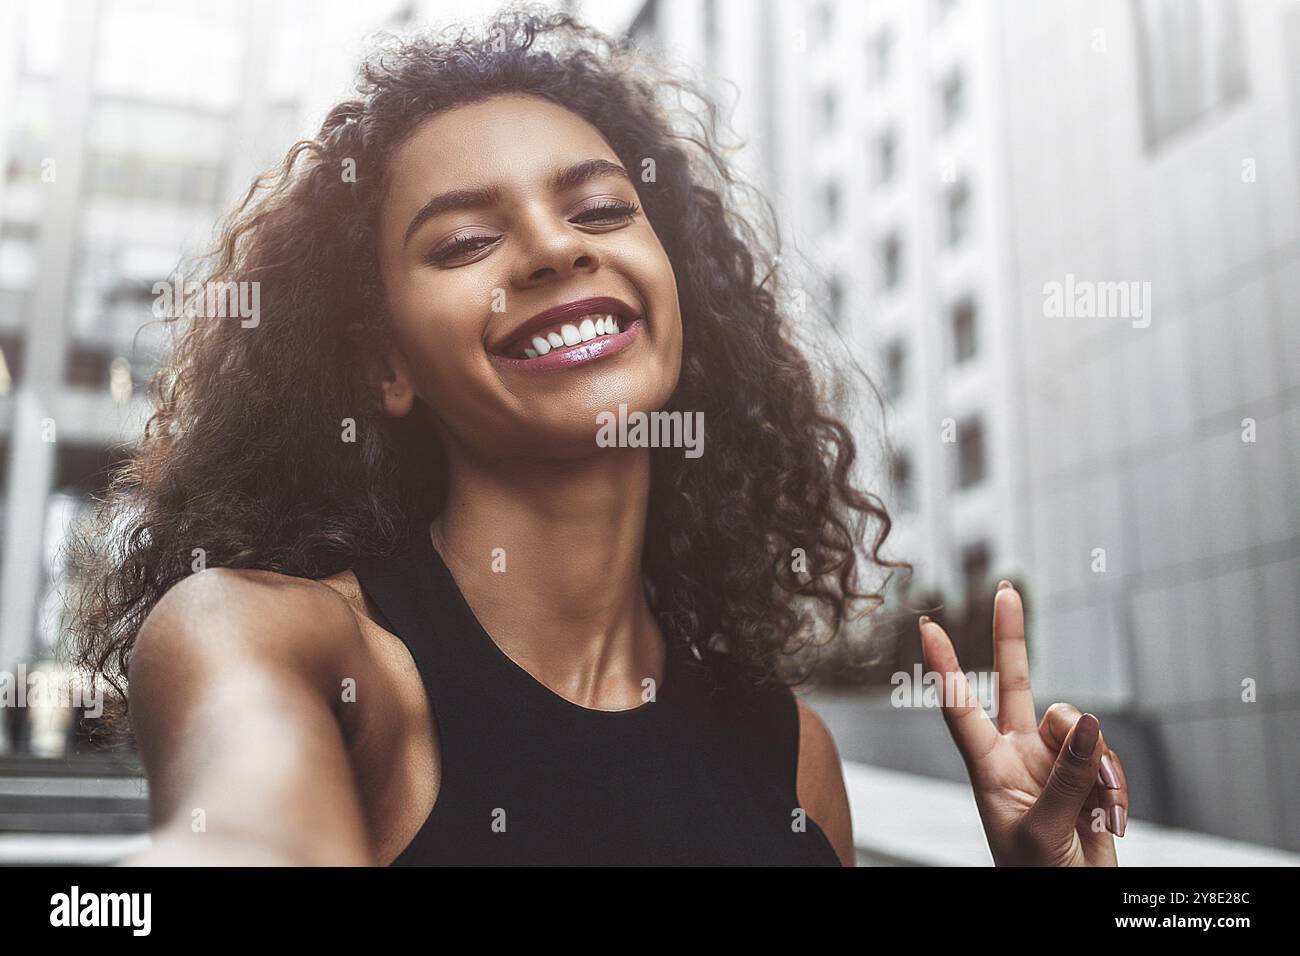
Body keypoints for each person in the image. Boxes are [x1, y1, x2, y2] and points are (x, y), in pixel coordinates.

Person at [68, 9, 1128, 866]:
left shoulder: (792, 754)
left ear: (676, 295)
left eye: (602, 210)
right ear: (381, 367)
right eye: (468, 239)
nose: (551, 248)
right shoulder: (269, 639)